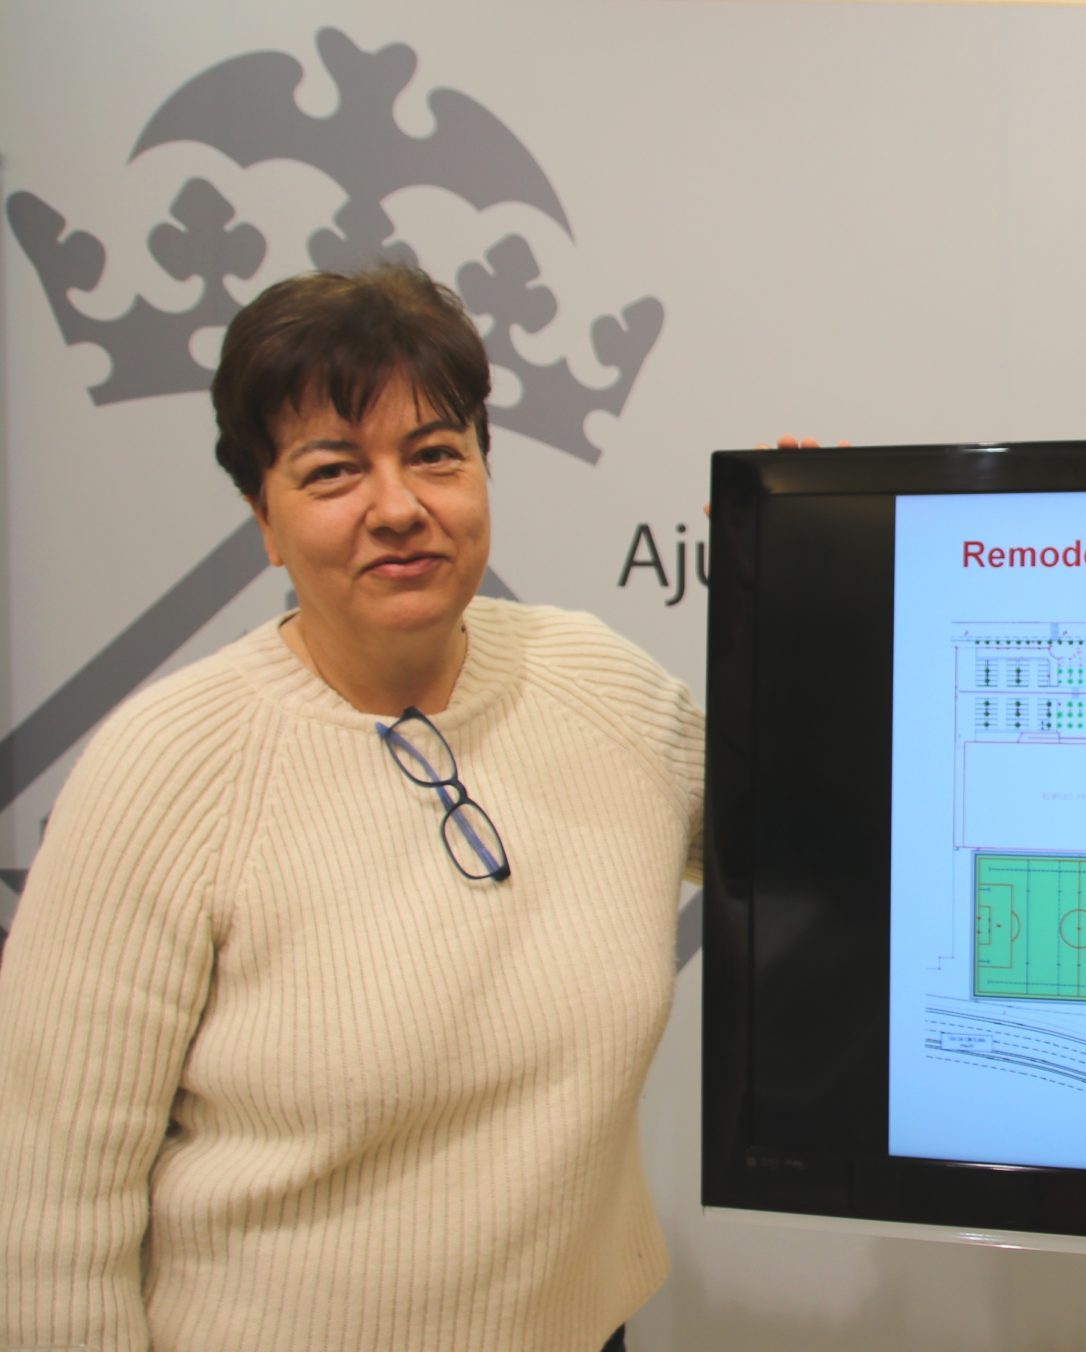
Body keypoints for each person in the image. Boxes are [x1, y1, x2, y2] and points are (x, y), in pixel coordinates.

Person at [0, 265, 701, 1352]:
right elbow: (44, 1211)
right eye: (332, 471)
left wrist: (823, 580)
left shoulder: (600, 685)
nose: (399, 507)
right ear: (263, 517)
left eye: (436, 454)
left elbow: (823, 836)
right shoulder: (164, 767)